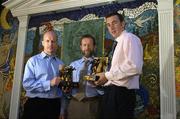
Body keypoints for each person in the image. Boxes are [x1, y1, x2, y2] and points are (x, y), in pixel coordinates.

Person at [95, 12, 143, 119]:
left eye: (114, 22)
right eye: (108, 24)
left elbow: (135, 67)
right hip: (111, 93)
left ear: (122, 24)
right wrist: (100, 80)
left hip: (121, 95)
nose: (111, 27)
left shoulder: (129, 38)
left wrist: (107, 76)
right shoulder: (117, 43)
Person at [22, 30, 64, 119]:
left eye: (53, 41)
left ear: (57, 44)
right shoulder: (33, 61)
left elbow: (62, 89)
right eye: (47, 41)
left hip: (54, 105)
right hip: (35, 105)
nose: (50, 44)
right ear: (42, 43)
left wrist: (62, 110)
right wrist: (49, 83)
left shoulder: (61, 63)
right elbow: (27, 85)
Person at [60, 34, 104, 119]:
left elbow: (104, 92)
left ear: (94, 46)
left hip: (92, 106)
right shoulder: (72, 65)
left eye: (89, 45)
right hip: (74, 104)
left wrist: (97, 85)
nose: (87, 48)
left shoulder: (100, 64)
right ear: (81, 47)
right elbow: (66, 93)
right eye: (84, 45)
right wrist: (66, 90)